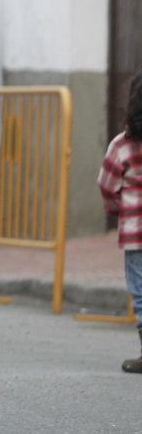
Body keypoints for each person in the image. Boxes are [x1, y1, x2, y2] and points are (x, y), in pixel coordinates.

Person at [98, 73, 142, 373]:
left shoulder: (122, 145)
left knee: (140, 291)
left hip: (136, 233)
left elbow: (107, 185)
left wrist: (118, 211)